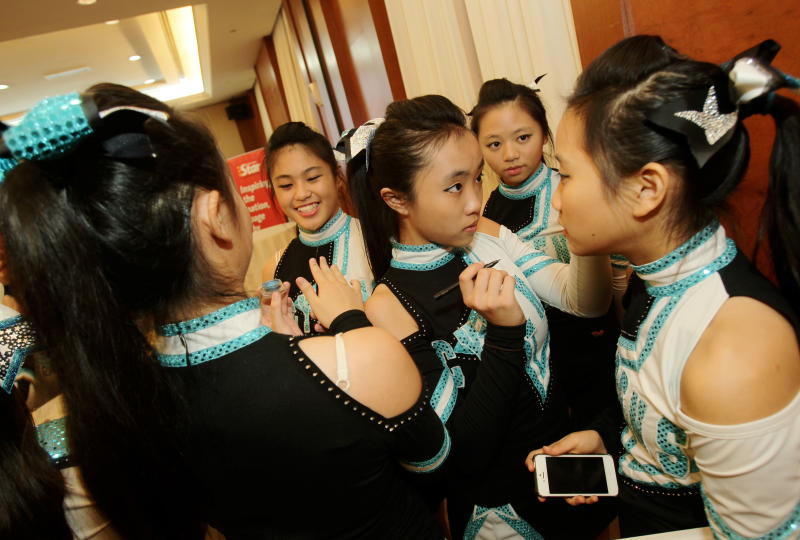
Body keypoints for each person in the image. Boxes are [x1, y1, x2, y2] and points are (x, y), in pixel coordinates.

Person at [0, 84, 450, 539]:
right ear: (216, 215)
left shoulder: (123, 406)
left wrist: (291, 347)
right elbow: (432, 470)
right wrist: (350, 327)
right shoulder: (363, 356)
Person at [526, 35, 800, 538]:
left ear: (646, 188)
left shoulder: (734, 352)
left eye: (564, 175)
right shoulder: (654, 282)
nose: (556, 203)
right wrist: (606, 437)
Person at [349, 94, 613, 539]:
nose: (476, 201)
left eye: (477, 178)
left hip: (568, 476)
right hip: (503, 514)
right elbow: (460, 453)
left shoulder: (487, 236)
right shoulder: (387, 307)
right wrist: (504, 333)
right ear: (397, 200)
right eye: (455, 187)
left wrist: (588, 232)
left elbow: (585, 303)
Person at [470, 77, 619, 428]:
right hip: (534, 362)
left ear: (544, 132)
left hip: (592, 352)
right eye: (493, 143)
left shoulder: (569, 193)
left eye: (523, 137)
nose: (510, 154)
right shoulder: (483, 214)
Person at [261, 122, 373, 333]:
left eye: (312, 178)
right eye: (286, 185)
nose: (301, 193)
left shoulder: (374, 240)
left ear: (337, 177)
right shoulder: (273, 269)